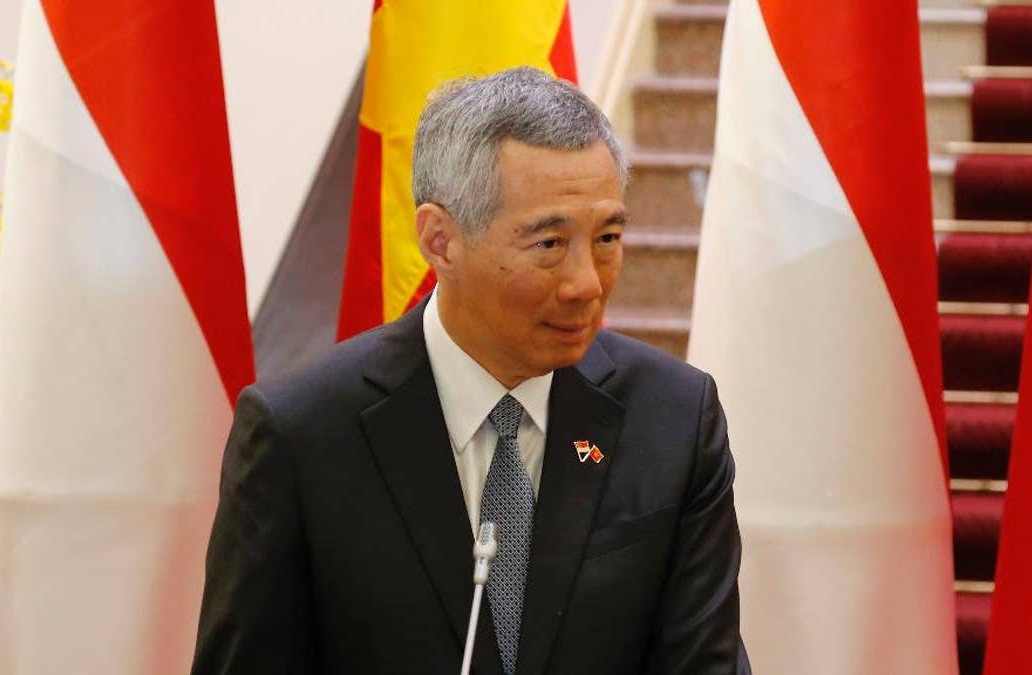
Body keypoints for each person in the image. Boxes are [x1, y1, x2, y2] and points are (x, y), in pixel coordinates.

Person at [191, 66, 749, 675]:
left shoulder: (673, 419)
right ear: (440, 241)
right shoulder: (302, 433)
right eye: (549, 244)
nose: (586, 283)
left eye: (608, 237)